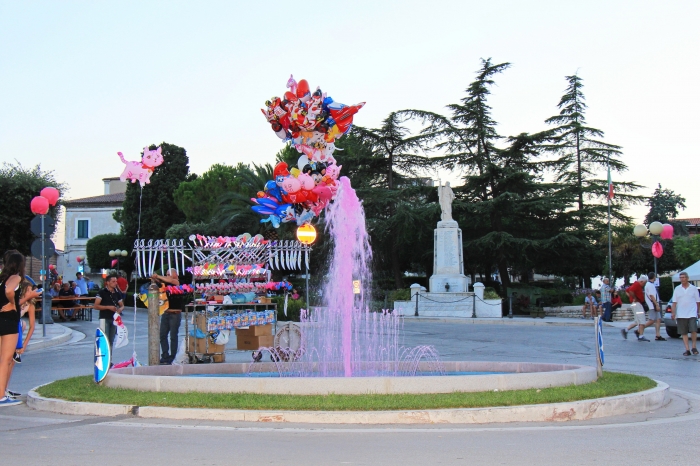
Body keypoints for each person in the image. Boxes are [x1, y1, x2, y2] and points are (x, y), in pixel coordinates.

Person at [0, 251, 40, 406]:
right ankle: (1, 396)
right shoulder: (16, 278)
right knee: (6, 360)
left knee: (1, 359)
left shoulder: (2, 278)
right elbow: (10, 292)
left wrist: (28, 297)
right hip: (9, 321)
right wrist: (11, 302)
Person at [6, 279, 37, 399]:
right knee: (5, 360)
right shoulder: (16, 300)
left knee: (12, 362)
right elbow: (15, 306)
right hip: (7, 330)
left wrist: (24, 344)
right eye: (29, 290)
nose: (31, 292)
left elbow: (32, 326)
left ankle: (5, 388)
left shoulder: (30, 305)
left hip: (15, 332)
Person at [151, 269, 183, 365]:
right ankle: (165, 355)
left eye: (169, 274)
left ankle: (173, 356)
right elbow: (160, 284)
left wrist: (158, 276)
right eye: (167, 274)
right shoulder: (166, 285)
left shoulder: (176, 282)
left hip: (175, 313)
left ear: (175, 274)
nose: (167, 276)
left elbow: (171, 281)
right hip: (166, 312)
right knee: (162, 335)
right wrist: (155, 279)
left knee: (173, 336)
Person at [93, 274, 124, 355]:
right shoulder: (102, 292)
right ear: (108, 282)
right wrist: (108, 307)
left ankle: (109, 358)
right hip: (104, 317)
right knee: (104, 339)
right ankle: (103, 358)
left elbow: (122, 304)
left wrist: (120, 309)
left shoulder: (117, 293)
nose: (115, 283)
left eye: (116, 281)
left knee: (111, 339)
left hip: (114, 318)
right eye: (113, 281)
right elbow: (96, 306)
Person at [671, 271, 700, 356]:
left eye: (683, 277)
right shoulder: (677, 289)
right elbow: (674, 302)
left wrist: (698, 311)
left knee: (693, 330)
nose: (682, 279)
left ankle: (694, 346)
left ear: (687, 278)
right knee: (683, 332)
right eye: (681, 278)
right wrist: (673, 313)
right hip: (681, 313)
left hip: (691, 312)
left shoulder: (693, 288)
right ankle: (687, 349)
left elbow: (698, 302)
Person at [622, 275, 650, 341]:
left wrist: (631, 298)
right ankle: (641, 336)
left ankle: (626, 330)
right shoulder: (637, 285)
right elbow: (631, 290)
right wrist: (634, 298)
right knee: (642, 320)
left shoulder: (635, 284)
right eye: (644, 283)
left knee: (637, 321)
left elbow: (627, 290)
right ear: (641, 281)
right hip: (638, 304)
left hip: (635, 304)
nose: (644, 284)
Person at [643, 272, 665, 341]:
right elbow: (652, 296)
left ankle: (657, 335)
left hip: (654, 304)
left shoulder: (650, 284)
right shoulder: (650, 285)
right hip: (653, 305)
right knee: (652, 320)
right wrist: (656, 304)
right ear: (654, 277)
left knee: (658, 319)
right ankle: (639, 329)